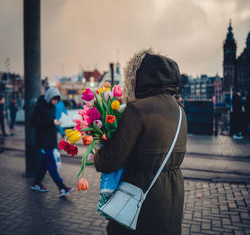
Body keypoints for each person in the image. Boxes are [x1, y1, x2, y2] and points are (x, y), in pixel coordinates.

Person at [94, 50, 187, 235]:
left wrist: (99, 151)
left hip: (142, 196)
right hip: (173, 194)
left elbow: (110, 161)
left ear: (140, 78)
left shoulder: (136, 110)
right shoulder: (180, 110)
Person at [31, 87, 74, 197]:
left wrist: (55, 123)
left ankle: (36, 183)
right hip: (43, 141)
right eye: (54, 99)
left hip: (50, 140)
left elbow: (51, 122)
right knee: (51, 165)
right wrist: (51, 122)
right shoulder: (40, 106)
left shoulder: (52, 107)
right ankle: (61, 187)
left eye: (57, 100)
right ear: (49, 97)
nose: (55, 102)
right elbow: (34, 122)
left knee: (45, 164)